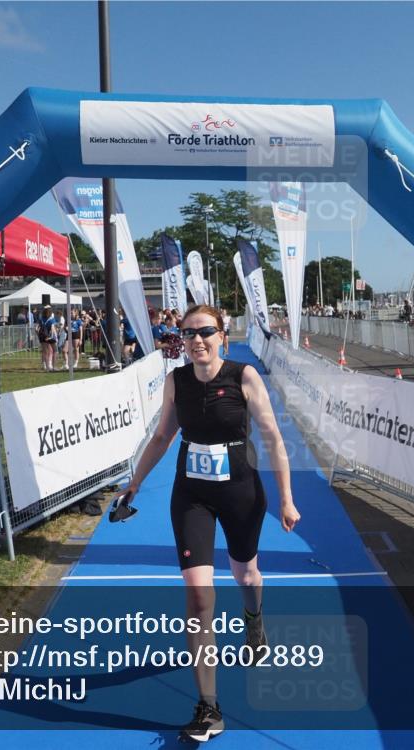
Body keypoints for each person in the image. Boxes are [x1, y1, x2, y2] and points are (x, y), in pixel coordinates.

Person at [115, 303, 300, 742]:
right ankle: (209, 707)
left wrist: (287, 501)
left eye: (205, 332)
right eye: (188, 333)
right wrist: (135, 484)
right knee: (199, 596)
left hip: (241, 493)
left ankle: (253, 618)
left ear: (223, 337)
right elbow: (162, 436)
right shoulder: (176, 382)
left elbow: (273, 439)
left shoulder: (243, 377)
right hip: (191, 496)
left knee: (246, 574)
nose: (196, 340)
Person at [37, 305, 57, 372]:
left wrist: (38, 336)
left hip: (42, 336)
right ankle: (53, 367)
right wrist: (55, 336)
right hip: (50, 336)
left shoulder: (41, 319)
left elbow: (37, 329)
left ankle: (47, 368)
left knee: (45, 352)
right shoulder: (52, 319)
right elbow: (52, 328)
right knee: (55, 351)